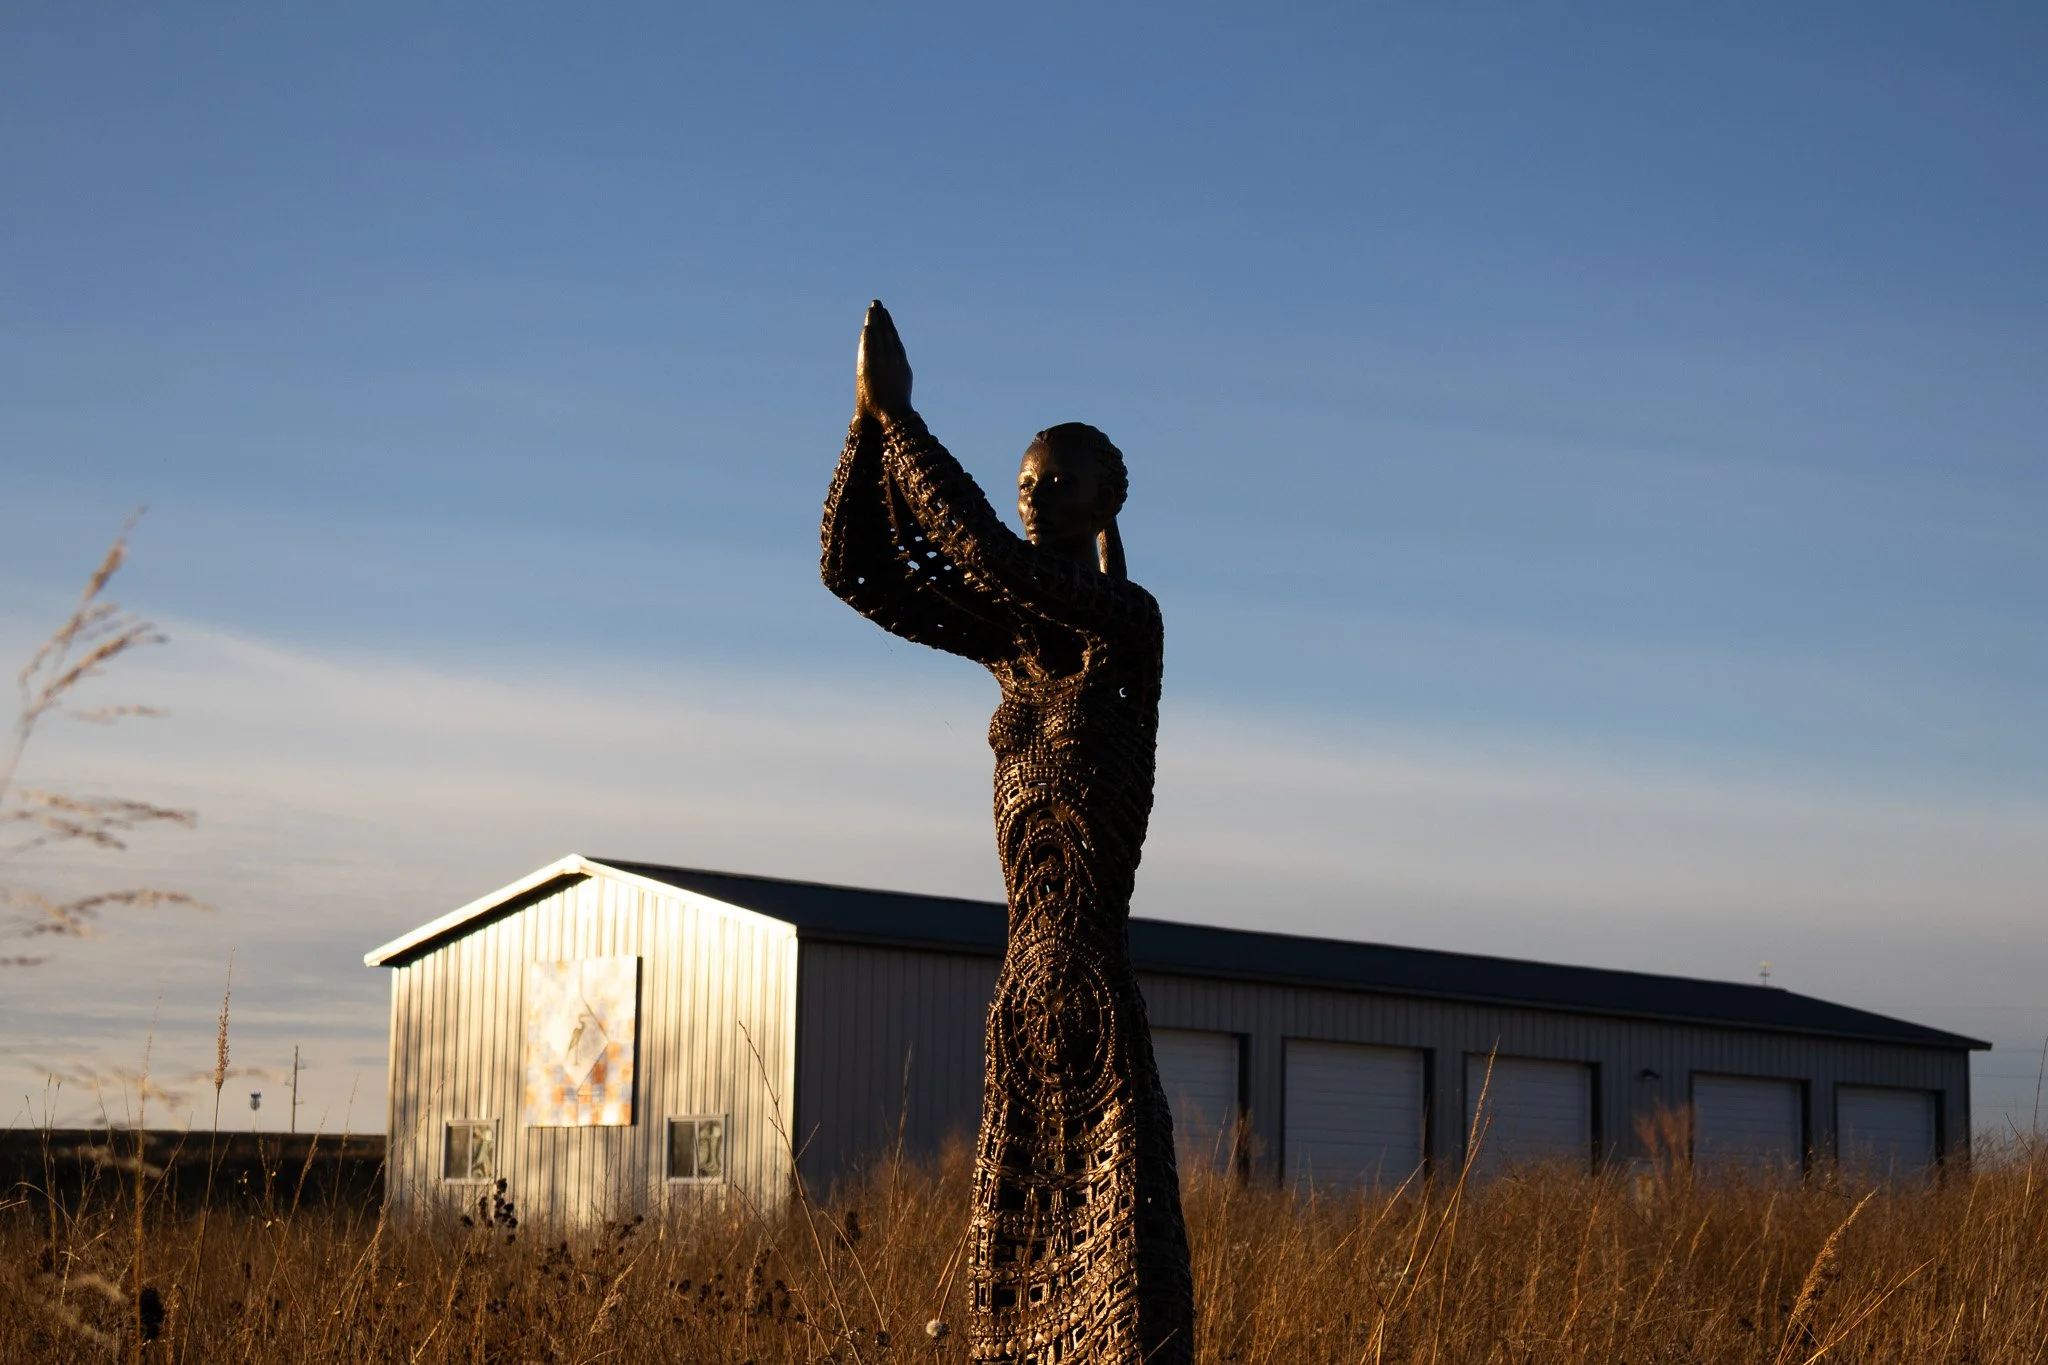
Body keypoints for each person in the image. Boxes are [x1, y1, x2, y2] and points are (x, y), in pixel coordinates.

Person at [821, 301, 1194, 1364]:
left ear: (1104, 500)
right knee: (1013, 1259)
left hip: (1089, 976)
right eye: (1027, 481)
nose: (1035, 497)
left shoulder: (1123, 628)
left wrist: (905, 424)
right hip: (1022, 990)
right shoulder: (1015, 643)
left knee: (1120, 1261)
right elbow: (860, 575)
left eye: (1057, 484)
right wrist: (862, 430)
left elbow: (984, 555)